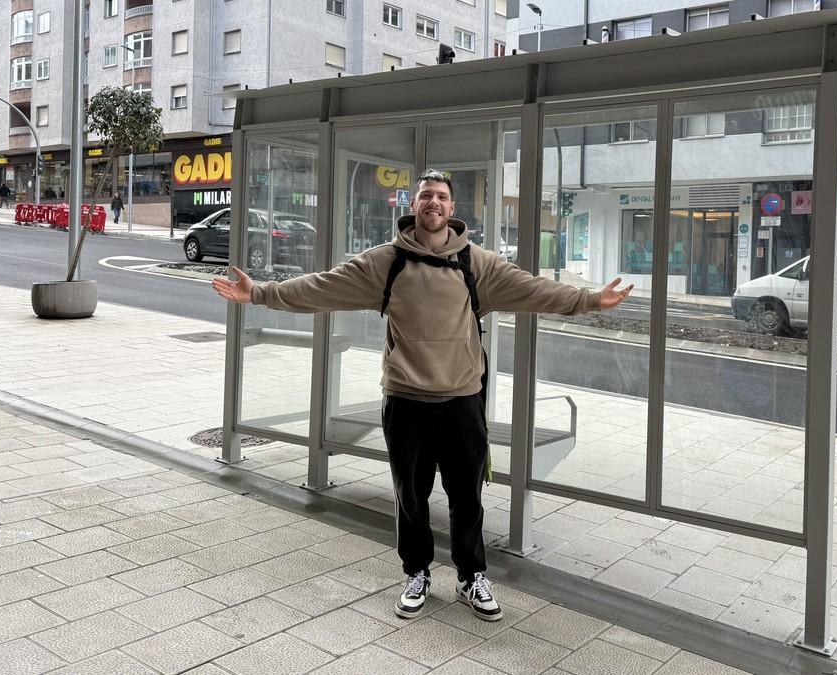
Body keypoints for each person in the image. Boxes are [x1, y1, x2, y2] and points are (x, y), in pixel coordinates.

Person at [212, 169, 634, 623]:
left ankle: (472, 577)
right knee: (411, 497)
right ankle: (417, 572)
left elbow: (534, 289)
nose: (434, 203)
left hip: (462, 401)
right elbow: (324, 286)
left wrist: (588, 300)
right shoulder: (386, 262)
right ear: (412, 206)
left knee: (467, 497)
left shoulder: (477, 264)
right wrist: (259, 293)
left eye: (442, 197)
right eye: (426, 196)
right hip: (406, 400)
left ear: (453, 210)